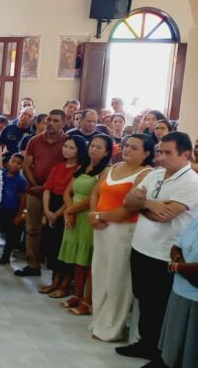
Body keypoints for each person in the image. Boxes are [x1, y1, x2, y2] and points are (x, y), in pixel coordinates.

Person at [118, 132, 198, 364]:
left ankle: (160, 354)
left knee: (159, 305)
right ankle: (145, 344)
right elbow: (127, 201)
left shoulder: (192, 183)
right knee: (143, 298)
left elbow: (163, 216)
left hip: (164, 253)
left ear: (185, 154)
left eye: (167, 153)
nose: (160, 157)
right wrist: (146, 203)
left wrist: (142, 202)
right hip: (141, 247)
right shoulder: (155, 175)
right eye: (159, 152)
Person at [89, 134, 154, 341]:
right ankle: (99, 320)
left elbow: (129, 208)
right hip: (101, 229)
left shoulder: (146, 173)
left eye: (134, 148)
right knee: (100, 275)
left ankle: (112, 328)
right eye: (126, 146)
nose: (127, 149)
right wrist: (93, 216)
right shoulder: (111, 169)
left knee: (117, 280)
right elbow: (96, 194)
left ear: (146, 153)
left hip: (123, 231)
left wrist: (100, 216)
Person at [57, 135, 113, 315]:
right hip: (73, 214)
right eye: (92, 146)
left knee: (88, 261)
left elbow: (93, 198)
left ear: (106, 152)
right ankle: (77, 294)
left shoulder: (105, 171)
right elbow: (68, 192)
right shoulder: (83, 166)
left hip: (88, 216)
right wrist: (69, 211)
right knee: (77, 260)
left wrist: (69, 211)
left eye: (99, 147)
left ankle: (88, 301)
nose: (94, 149)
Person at [16, 110, 67, 277]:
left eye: (56, 120)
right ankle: (33, 265)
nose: (51, 123)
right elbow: (27, 165)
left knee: (54, 231)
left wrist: (47, 187)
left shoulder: (67, 142)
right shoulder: (34, 140)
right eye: (49, 120)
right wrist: (36, 185)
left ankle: (55, 270)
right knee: (32, 228)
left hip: (58, 193)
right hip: (34, 191)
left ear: (63, 123)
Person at [38, 135, 87, 297]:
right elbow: (47, 188)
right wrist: (46, 210)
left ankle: (65, 284)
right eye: (65, 146)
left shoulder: (80, 169)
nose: (67, 149)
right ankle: (54, 281)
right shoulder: (58, 165)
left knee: (63, 247)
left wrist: (57, 214)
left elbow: (71, 195)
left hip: (66, 208)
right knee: (51, 247)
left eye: (72, 147)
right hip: (51, 204)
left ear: (79, 150)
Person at [159, 216, 198, 367]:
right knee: (172, 349)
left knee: (191, 353)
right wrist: (177, 261)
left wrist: (176, 267)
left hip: (195, 299)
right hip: (179, 292)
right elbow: (177, 247)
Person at [0, 153, 28, 265]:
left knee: (10, 236)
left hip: (11, 211)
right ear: (8, 161)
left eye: (18, 163)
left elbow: (23, 198)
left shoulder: (20, 181)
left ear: (21, 166)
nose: (14, 164)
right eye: (13, 161)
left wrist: (19, 215)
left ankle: (5, 257)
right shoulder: (0, 175)